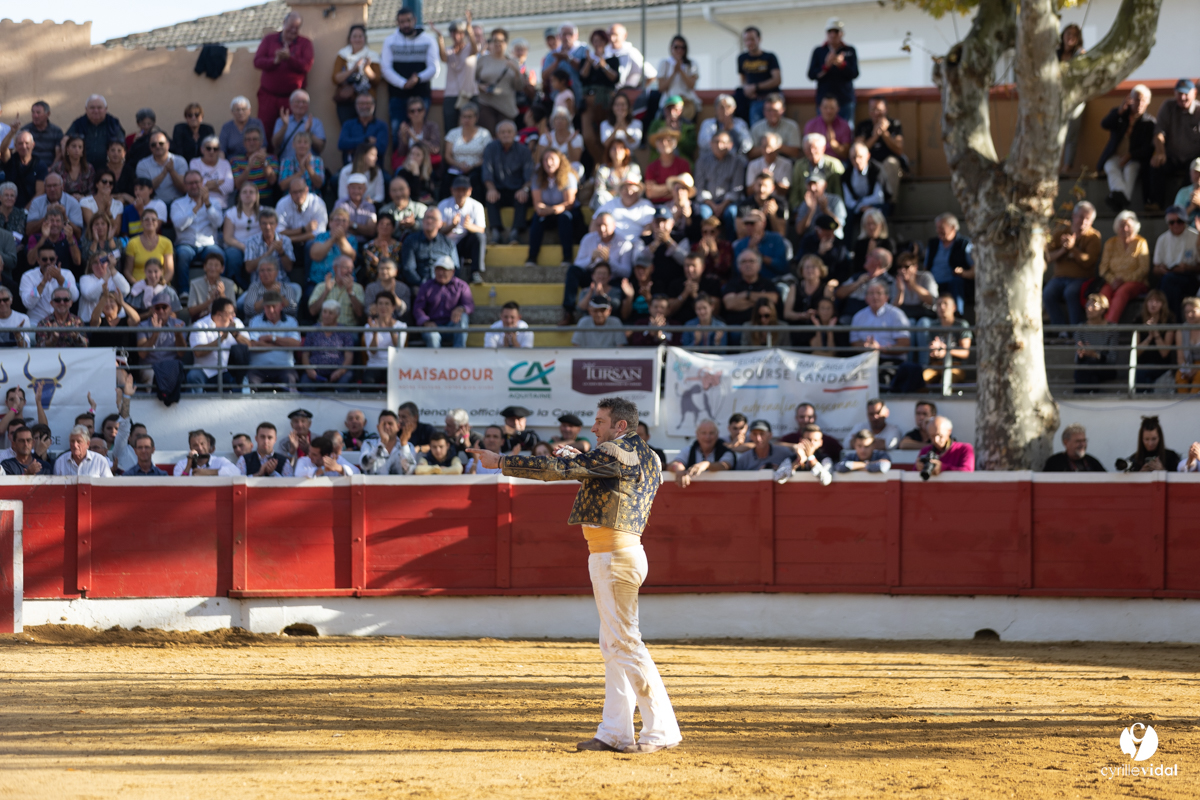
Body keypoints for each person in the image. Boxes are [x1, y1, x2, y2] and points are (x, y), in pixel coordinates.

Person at [466, 397, 680, 754]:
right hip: (621, 553)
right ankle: (615, 732)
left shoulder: (615, 452)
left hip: (614, 557)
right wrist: (580, 459)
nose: (593, 427)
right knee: (614, 646)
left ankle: (662, 730)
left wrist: (502, 462)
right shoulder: (647, 455)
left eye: (600, 421)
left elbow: (557, 470)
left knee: (625, 644)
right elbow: (604, 478)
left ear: (620, 426)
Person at [253, 13, 315, 144]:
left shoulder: (305, 43)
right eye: (291, 26)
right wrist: (274, 61)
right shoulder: (269, 40)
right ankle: (265, 156)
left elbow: (307, 66)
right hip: (268, 96)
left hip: (292, 99)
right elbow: (257, 62)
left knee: (292, 132)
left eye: (297, 28)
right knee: (265, 130)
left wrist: (289, 59)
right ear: (284, 23)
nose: (293, 30)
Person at [1043, 200, 1102, 329]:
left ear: (1092, 221)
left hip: (1082, 278)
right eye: (1081, 217)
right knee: (1048, 293)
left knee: (1070, 293)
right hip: (1059, 278)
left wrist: (1072, 249)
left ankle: (1077, 331)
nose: (1083, 221)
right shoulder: (1060, 233)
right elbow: (1047, 257)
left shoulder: (1093, 237)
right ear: (1073, 216)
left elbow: (1088, 262)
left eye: (1087, 219)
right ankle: (1060, 331)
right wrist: (1063, 250)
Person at [1098, 84, 1156, 211]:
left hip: (1134, 159)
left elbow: (1148, 148)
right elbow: (1104, 124)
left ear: (1148, 102)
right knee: (1109, 166)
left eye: (1143, 100)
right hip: (1115, 156)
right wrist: (1119, 112)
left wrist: (1130, 155)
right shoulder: (1120, 114)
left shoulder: (1150, 122)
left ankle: (1117, 199)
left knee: (1131, 170)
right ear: (1131, 99)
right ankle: (1124, 198)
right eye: (1137, 100)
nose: (1139, 104)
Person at [1148, 79, 1200, 211]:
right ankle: (1155, 204)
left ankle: (1183, 208)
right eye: (1179, 93)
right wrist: (1160, 152)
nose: (1182, 97)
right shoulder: (1168, 106)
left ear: (1194, 93)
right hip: (1172, 156)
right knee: (1155, 164)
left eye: (1186, 94)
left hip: (1193, 158)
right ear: (1175, 93)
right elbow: (1159, 132)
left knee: (1194, 171)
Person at [482, 120, 533, 245]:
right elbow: (487, 172)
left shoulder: (524, 150)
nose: (506, 135)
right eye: (503, 132)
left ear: (515, 134)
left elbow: (529, 176)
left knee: (523, 198)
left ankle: (515, 233)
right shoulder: (490, 148)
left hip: (518, 189)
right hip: (498, 189)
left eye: (509, 132)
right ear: (497, 134)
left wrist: (524, 189)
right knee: (490, 197)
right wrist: (491, 189)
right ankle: (495, 232)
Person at [526, 149, 578, 268]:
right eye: (546, 160)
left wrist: (553, 209)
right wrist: (546, 210)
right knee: (537, 218)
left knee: (565, 218)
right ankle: (532, 257)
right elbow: (537, 203)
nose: (549, 163)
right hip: (548, 213)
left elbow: (569, 203)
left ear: (560, 161)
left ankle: (567, 257)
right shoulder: (537, 178)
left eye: (552, 159)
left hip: (567, 213)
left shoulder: (568, 177)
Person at [850, 281, 911, 377]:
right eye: (871, 293)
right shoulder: (858, 316)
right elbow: (854, 342)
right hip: (865, 359)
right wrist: (865, 346)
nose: (875, 297)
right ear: (866, 298)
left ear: (886, 297)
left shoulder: (896, 315)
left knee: (881, 376)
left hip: (891, 360)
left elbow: (904, 345)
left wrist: (880, 348)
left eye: (879, 293)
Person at [188, 297, 249, 392]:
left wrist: (235, 334)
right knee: (193, 375)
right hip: (205, 371)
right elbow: (198, 352)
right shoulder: (200, 325)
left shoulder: (236, 322)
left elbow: (249, 345)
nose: (234, 315)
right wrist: (221, 338)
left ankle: (241, 399)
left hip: (229, 372)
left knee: (242, 378)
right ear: (219, 315)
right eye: (231, 313)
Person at [1098, 210, 1149, 323]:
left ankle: (1109, 325)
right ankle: (1097, 325)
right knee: (1103, 295)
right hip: (1112, 282)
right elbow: (1103, 269)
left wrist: (1123, 280)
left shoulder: (1141, 242)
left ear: (1134, 227)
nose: (1125, 229)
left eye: (1128, 226)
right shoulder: (1110, 243)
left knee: (1122, 292)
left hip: (1135, 282)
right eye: (1122, 226)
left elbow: (1144, 269)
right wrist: (1113, 280)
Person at [853, 97, 907, 200]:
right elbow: (857, 149)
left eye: (879, 110)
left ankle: (889, 203)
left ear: (886, 109)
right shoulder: (863, 126)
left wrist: (885, 133)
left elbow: (899, 150)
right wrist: (875, 136)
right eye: (872, 109)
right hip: (869, 161)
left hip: (887, 161)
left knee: (891, 163)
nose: (875, 113)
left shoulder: (894, 124)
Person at [414, 256, 473, 348]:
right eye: (438, 269)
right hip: (433, 326)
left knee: (463, 317)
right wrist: (425, 321)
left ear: (452, 271)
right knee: (432, 336)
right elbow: (418, 308)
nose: (441, 273)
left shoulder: (461, 286)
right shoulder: (426, 286)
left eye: (444, 270)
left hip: (452, 325)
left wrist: (461, 308)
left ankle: (459, 352)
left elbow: (469, 304)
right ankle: (435, 357)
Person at [246, 291, 300, 390]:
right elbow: (253, 345)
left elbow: (296, 344)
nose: (271, 310)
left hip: (285, 369)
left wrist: (272, 338)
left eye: (274, 306)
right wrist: (281, 345)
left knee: (290, 379)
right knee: (250, 383)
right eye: (267, 307)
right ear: (264, 307)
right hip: (258, 369)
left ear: (281, 306)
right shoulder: (255, 321)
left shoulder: (291, 321)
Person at [474, 28, 525, 135]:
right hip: (486, 105)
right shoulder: (483, 60)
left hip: (506, 107)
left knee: (506, 137)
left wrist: (516, 72)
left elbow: (519, 87)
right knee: (488, 137)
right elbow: (472, 80)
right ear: (490, 43)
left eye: (501, 41)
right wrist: (480, 87)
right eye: (495, 41)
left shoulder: (513, 62)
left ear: (506, 43)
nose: (498, 44)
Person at [807, 18, 858, 123]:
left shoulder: (849, 50)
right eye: (830, 31)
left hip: (845, 101)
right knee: (822, 130)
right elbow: (811, 75)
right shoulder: (819, 51)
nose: (833, 35)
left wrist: (842, 65)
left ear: (842, 33)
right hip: (824, 102)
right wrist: (826, 66)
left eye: (836, 31)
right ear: (826, 33)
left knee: (846, 130)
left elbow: (855, 73)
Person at [438, 175, 487, 281]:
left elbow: (481, 230)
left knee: (479, 237)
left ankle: (476, 272)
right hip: (446, 244)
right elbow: (439, 230)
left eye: (463, 190)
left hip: (465, 244)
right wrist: (452, 226)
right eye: (457, 190)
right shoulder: (443, 205)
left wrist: (469, 226)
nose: (460, 193)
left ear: (470, 191)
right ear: (452, 190)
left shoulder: (476, 206)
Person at [332, 26, 383, 128]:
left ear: (365, 39)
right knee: (348, 129)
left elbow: (377, 80)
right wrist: (353, 69)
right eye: (354, 36)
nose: (357, 39)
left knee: (367, 129)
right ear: (350, 39)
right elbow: (335, 78)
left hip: (366, 102)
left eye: (360, 36)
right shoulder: (342, 55)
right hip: (347, 101)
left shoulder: (372, 56)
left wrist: (367, 69)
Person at [924, 213, 974, 314]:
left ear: (953, 228)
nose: (938, 231)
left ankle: (957, 313)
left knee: (957, 282)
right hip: (934, 283)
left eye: (941, 228)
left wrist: (963, 273)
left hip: (954, 284)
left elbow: (974, 270)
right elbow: (926, 268)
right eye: (937, 228)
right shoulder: (933, 244)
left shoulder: (964, 244)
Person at [721, 249, 779, 331]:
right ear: (738, 266)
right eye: (744, 261)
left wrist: (747, 295)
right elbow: (729, 304)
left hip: (763, 326)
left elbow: (773, 299)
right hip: (738, 328)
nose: (748, 264)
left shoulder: (767, 283)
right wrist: (759, 301)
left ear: (759, 265)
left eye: (751, 261)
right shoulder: (732, 284)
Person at [64, 95, 125, 173]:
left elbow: (121, 146)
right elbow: (66, 141)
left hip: (107, 170)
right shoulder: (78, 123)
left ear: (106, 109)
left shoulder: (113, 123)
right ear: (86, 109)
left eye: (99, 108)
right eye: (92, 108)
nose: (96, 111)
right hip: (83, 170)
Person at [21, 246, 79, 325]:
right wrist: (43, 282)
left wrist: (60, 278)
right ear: (38, 260)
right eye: (44, 259)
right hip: (36, 323)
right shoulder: (28, 276)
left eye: (51, 259)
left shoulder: (67, 274)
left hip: (62, 323)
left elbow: (74, 297)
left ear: (56, 259)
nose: (48, 262)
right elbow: (28, 304)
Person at [272, 90, 327, 164]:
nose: (301, 105)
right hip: (286, 165)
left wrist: (309, 132)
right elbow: (275, 144)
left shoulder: (316, 123)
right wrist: (284, 127)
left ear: (308, 105)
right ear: (290, 104)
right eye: (297, 102)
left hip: (310, 165)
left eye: (304, 102)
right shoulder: (281, 121)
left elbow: (320, 148)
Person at [27, 172, 84, 237]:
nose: (52, 189)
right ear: (44, 187)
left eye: (55, 185)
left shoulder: (73, 203)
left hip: (66, 240)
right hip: (42, 239)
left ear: (62, 186)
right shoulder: (36, 202)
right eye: (49, 186)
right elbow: (28, 231)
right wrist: (46, 216)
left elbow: (78, 234)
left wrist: (64, 217)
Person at [0, 131, 46, 209]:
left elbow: (40, 192)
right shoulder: (10, 161)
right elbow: (3, 150)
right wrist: (12, 131)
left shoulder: (40, 165)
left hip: (31, 209)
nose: (24, 146)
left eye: (27, 143)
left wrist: (24, 211)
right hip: (8, 208)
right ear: (15, 146)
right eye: (20, 143)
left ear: (33, 145)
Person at [646, 95, 697, 162]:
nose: (672, 113)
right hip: (660, 162)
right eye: (669, 109)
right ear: (664, 110)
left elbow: (690, 148)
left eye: (676, 109)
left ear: (681, 110)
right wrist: (665, 130)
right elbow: (651, 143)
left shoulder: (689, 126)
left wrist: (678, 133)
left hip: (682, 163)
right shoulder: (656, 124)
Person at [174, 430, 241, 477]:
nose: (200, 448)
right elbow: (177, 485)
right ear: (190, 447)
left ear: (208, 444)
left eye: (202, 444)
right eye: (195, 445)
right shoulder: (182, 464)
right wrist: (188, 466)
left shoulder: (219, 461)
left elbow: (237, 472)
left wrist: (208, 472)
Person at [219, 97, 267, 161]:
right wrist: (223, 165)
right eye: (237, 110)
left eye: (243, 109)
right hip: (232, 162)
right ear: (232, 111)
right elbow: (221, 150)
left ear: (249, 110)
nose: (240, 112)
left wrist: (260, 162)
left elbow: (263, 146)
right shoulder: (226, 127)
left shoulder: (257, 124)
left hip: (254, 161)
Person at [22, 101, 64, 169]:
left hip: (51, 168)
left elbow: (59, 154)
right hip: (30, 169)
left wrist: (51, 168)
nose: (35, 115)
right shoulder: (25, 131)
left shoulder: (56, 131)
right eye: (33, 112)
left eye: (38, 113)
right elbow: (21, 153)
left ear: (48, 114)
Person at [50, 135, 95, 199]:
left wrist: (82, 197)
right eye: (74, 146)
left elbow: (92, 191)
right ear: (67, 149)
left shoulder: (89, 168)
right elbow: (52, 188)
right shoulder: (58, 167)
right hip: (62, 200)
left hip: (84, 201)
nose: (77, 150)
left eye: (80, 147)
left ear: (82, 151)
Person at [1177, 297, 1200, 394]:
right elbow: (1180, 357)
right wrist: (1186, 370)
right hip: (1188, 364)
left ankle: (1191, 401)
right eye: (1187, 312)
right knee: (1180, 376)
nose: (1189, 315)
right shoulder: (1181, 330)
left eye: (1193, 311)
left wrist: (1197, 368)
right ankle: (1182, 401)